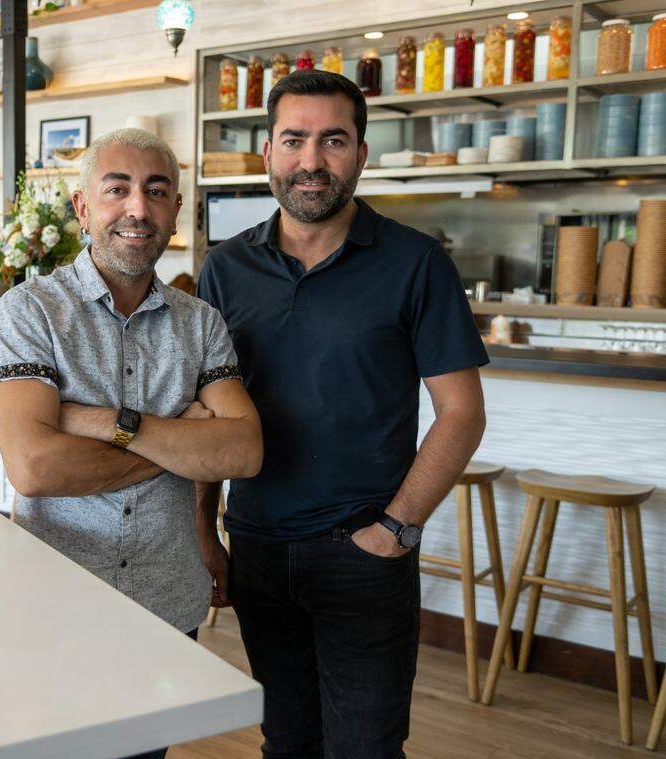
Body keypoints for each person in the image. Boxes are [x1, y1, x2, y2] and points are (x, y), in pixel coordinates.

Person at [196, 70, 489, 758]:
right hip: (257, 547)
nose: (311, 160)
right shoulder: (225, 268)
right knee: (287, 742)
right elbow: (204, 414)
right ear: (268, 152)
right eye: (293, 139)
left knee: (366, 749)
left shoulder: (417, 263)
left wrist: (395, 529)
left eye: (332, 140)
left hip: (363, 551)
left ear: (360, 152)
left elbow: (462, 413)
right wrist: (204, 528)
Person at [0, 128, 263, 756]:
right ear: (82, 208)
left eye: (156, 192)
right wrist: (182, 437)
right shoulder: (29, 312)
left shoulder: (203, 323)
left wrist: (106, 423)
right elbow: (34, 467)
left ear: (175, 210)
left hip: (167, 601)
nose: (138, 208)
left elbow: (243, 452)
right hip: (57, 600)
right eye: (118, 189)